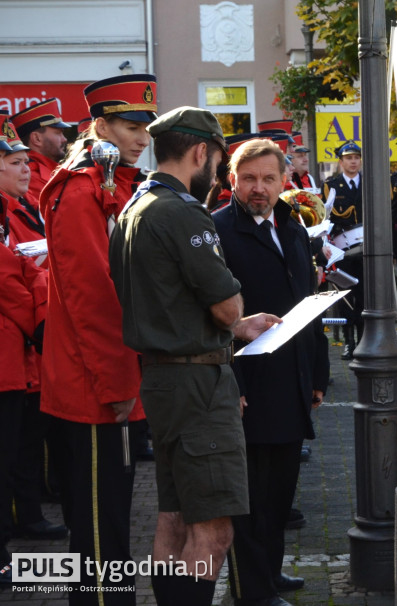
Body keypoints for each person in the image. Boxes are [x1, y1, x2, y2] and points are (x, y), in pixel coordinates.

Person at [109, 107, 279, 604]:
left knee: (175, 517)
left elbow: (161, 299)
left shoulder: (135, 206)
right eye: (218, 160)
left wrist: (240, 327)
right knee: (213, 533)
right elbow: (225, 305)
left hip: (163, 379)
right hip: (197, 386)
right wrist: (237, 318)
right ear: (202, 153)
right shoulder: (182, 210)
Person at [36, 73, 157, 603]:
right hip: (92, 386)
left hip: (113, 378)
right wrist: (117, 382)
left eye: (146, 127)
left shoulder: (115, 181)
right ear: (99, 124)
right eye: (131, 125)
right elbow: (92, 299)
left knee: (112, 521)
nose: (142, 137)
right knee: (98, 536)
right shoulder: (81, 188)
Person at [212, 138, 329, 606]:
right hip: (248, 382)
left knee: (281, 488)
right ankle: (251, 589)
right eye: (249, 179)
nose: (259, 189)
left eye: (268, 179)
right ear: (232, 181)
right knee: (252, 495)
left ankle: (271, 573)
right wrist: (230, 383)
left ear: (285, 182)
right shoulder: (217, 230)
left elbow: (307, 304)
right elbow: (210, 315)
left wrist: (317, 374)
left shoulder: (293, 227)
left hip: (293, 377)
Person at [0, 119, 67, 548]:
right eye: (15, 162)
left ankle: (26, 519)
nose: (26, 170)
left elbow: (30, 271)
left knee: (22, 446)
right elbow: (9, 277)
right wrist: (39, 318)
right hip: (14, 342)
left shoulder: (20, 207)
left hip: (20, 349)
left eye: (27, 161)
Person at [323, 142, 364, 359]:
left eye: (356, 157)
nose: (353, 161)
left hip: (367, 248)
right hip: (343, 248)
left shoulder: (370, 182)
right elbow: (326, 217)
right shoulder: (331, 185)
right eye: (348, 158)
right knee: (346, 296)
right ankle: (349, 342)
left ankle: (365, 339)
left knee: (366, 295)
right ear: (341, 161)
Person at [10, 98, 69, 205]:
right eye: (58, 133)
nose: (64, 139)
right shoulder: (30, 176)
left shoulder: (50, 171)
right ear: (37, 138)